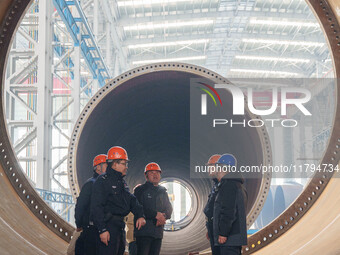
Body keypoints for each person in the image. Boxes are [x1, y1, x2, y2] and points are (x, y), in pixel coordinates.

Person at [91, 146, 146, 255]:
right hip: (108, 227)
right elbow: (96, 207)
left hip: (120, 227)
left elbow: (131, 200)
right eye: (124, 164)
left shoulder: (121, 183)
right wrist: (102, 230)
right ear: (115, 164)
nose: (126, 167)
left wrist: (140, 214)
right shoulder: (102, 182)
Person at [134, 162, 173, 255]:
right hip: (144, 232)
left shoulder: (163, 191)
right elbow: (138, 207)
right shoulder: (140, 190)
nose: (155, 175)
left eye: (157, 173)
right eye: (152, 172)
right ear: (146, 175)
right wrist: (155, 215)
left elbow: (169, 209)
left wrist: (163, 216)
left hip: (158, 233)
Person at [213, 153, 248, 255]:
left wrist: (223, 233)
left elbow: (229, 211)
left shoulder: (229, 185)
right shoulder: (238, 185)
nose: (217, 172)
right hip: (234, 237)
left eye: (218, 169)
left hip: (229, 238)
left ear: (224, 169)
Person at [74, 154, 108, 255]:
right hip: (91, 229)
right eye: (106, 165)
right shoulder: (91, 184)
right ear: (98, 167)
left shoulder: (106, 184)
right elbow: (81, 206)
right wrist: (79, 224)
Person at [203, 154, 221, 255]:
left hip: (220, 232)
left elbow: (226, 211)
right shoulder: (216, 185)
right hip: (213, 229)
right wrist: (210, 229)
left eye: (211, 166)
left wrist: (222, 233)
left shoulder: (225, 185)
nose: (208, 169)